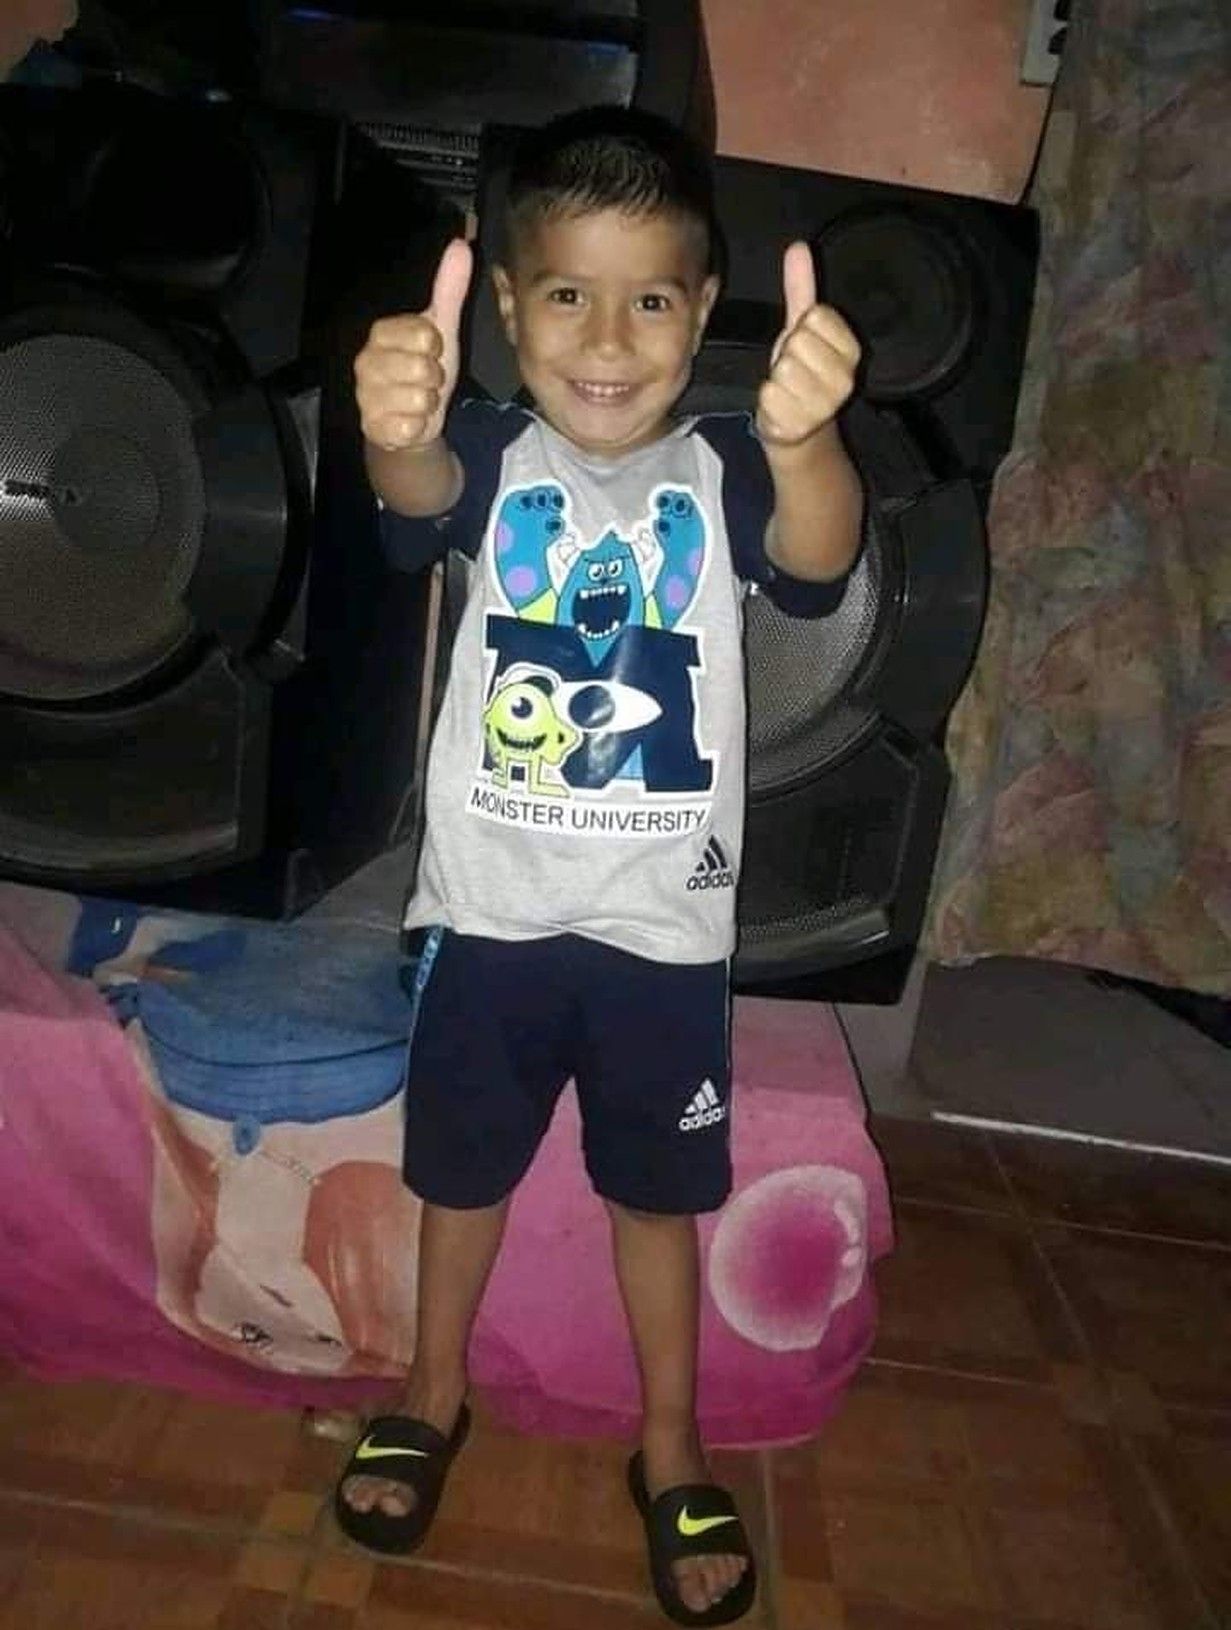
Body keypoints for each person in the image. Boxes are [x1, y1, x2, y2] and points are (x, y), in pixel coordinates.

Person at [334, 104, 863, 1627]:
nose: (610, 339)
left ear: (701, 313)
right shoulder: (488, 454)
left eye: (651, 300)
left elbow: (819, 557)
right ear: (508, 307)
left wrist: (807, 439)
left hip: (661, 939)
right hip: (489, 921)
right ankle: (430, 1391)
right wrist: (395, 429)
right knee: (460, 1180)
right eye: (569, 293)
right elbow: (415, 494)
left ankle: (672, 1442)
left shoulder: (725, 466)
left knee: (656, 1199)